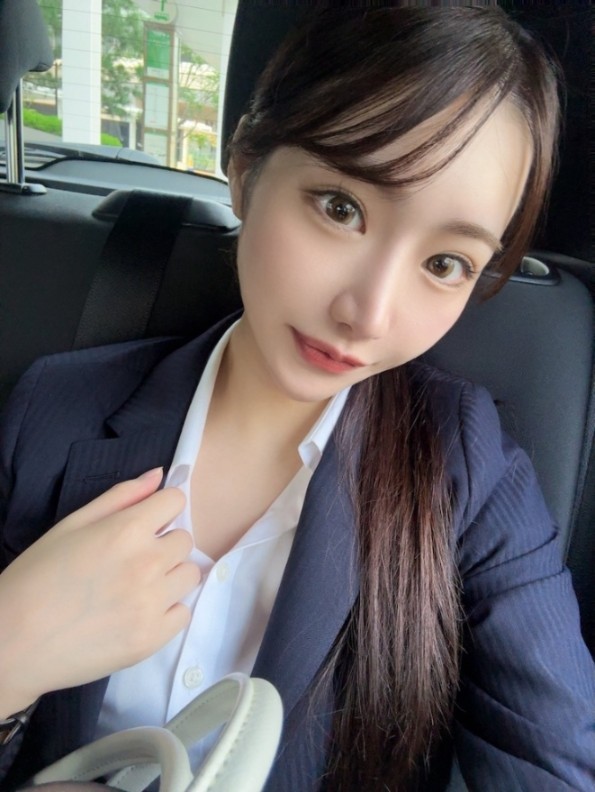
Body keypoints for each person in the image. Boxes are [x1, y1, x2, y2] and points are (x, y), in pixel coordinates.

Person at [0, 6, 594, 791]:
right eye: (340, 208)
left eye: (445, 263)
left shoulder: (469, 475)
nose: (368, 315)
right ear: (245, 168)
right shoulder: (54, 411)